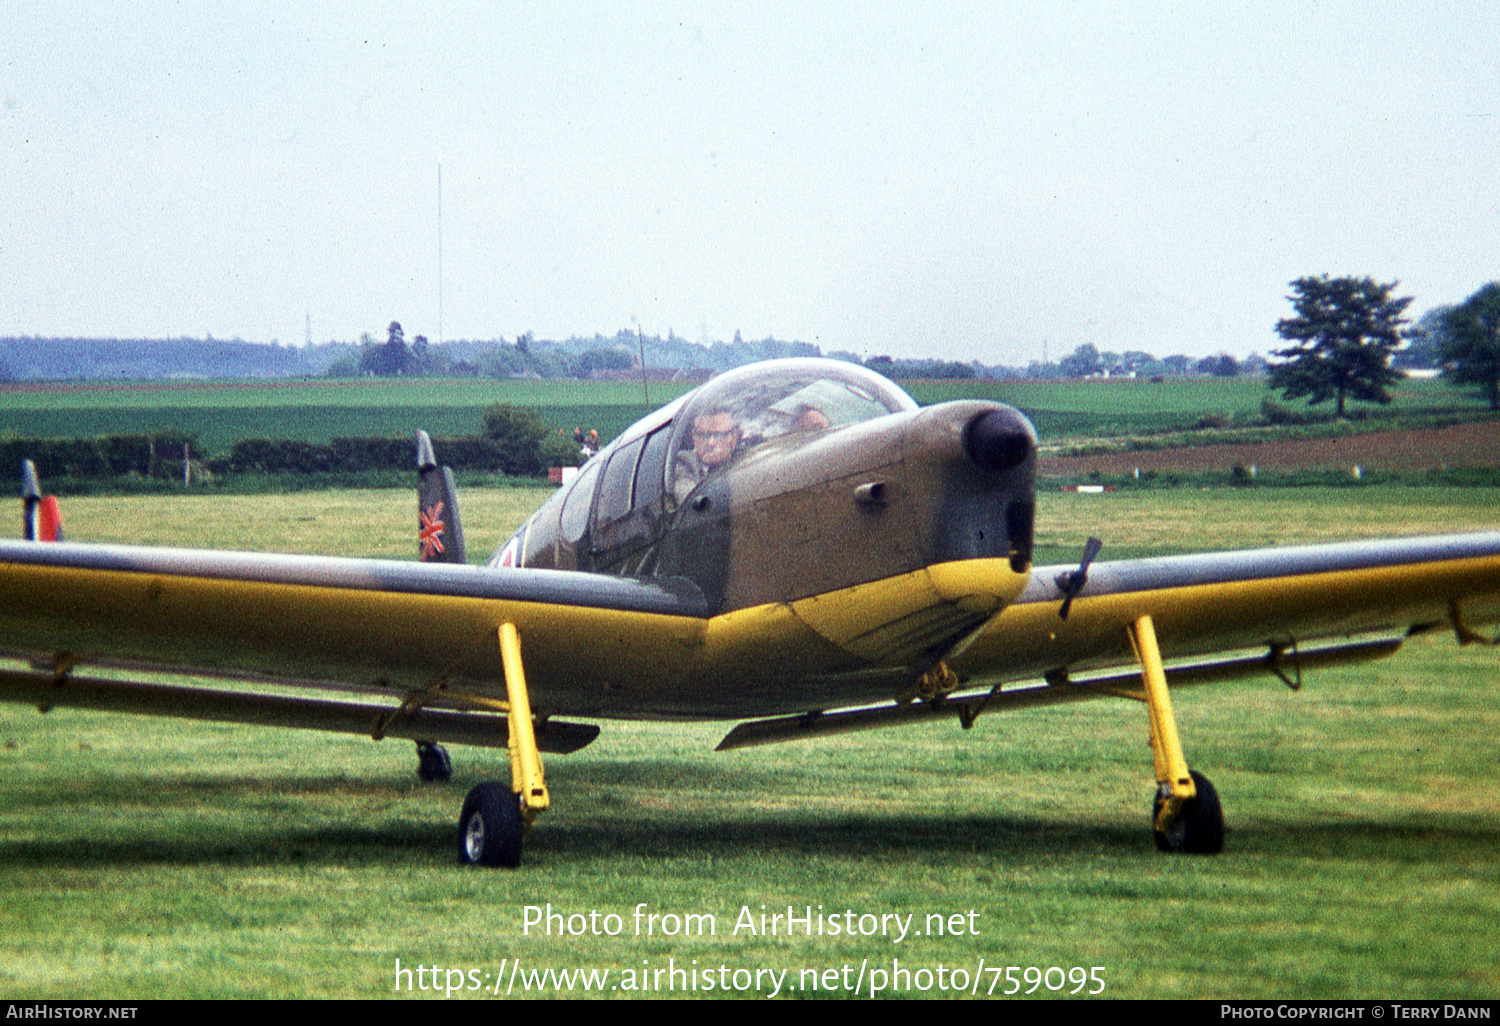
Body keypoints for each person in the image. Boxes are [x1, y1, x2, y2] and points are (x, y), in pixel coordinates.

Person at [672, 409, 740, 503]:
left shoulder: (746, 460)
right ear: (694, 437)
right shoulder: (684, 463)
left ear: (733, 438)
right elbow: (691, 502)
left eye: (718, 435)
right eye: (703, 435)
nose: (711, 443)